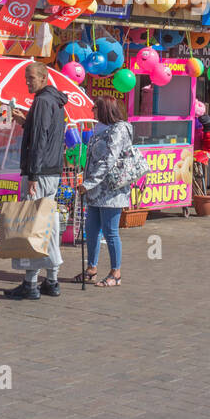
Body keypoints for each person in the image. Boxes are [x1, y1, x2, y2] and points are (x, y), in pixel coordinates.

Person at [5, 62, 67, 300]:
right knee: (47, 226)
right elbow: (44, 132)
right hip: (51, 172)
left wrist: (32, 173)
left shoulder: (42, 101)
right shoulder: (54, 101)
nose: (27, 82)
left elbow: (41, 138)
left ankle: (31, 283)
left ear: (43, 78)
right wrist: (25, 121)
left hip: (40, 174)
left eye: (31, 78)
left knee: (33, 227)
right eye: (26, 78)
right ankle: (51, 280)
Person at [74, 96, 134, 288]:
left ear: (105, 109)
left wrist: (89, 183)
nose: (93, 111)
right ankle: (91, 268)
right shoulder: (99, 129)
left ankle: (116, 273)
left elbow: (109, 159)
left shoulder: (119, 129)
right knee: (91, 230)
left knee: (110, 231)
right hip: (95, 190)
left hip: (111, 190)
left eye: (95, 108)